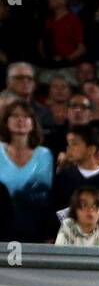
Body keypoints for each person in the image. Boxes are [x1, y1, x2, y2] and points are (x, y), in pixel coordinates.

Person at [0, 99, 53, 242]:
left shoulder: (45, 154)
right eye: (15, 116)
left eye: (26, 117)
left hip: (34, 223)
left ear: (33, 123)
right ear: (6, 121)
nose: (21, 120)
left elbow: (45, 193)